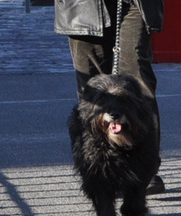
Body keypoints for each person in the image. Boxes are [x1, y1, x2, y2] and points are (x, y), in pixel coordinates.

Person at [57, 0, 167, 194]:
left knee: (137, 84)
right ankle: (99, 167)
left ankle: (143, 168)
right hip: (84, 6)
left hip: (134, 4)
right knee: (93, 89)